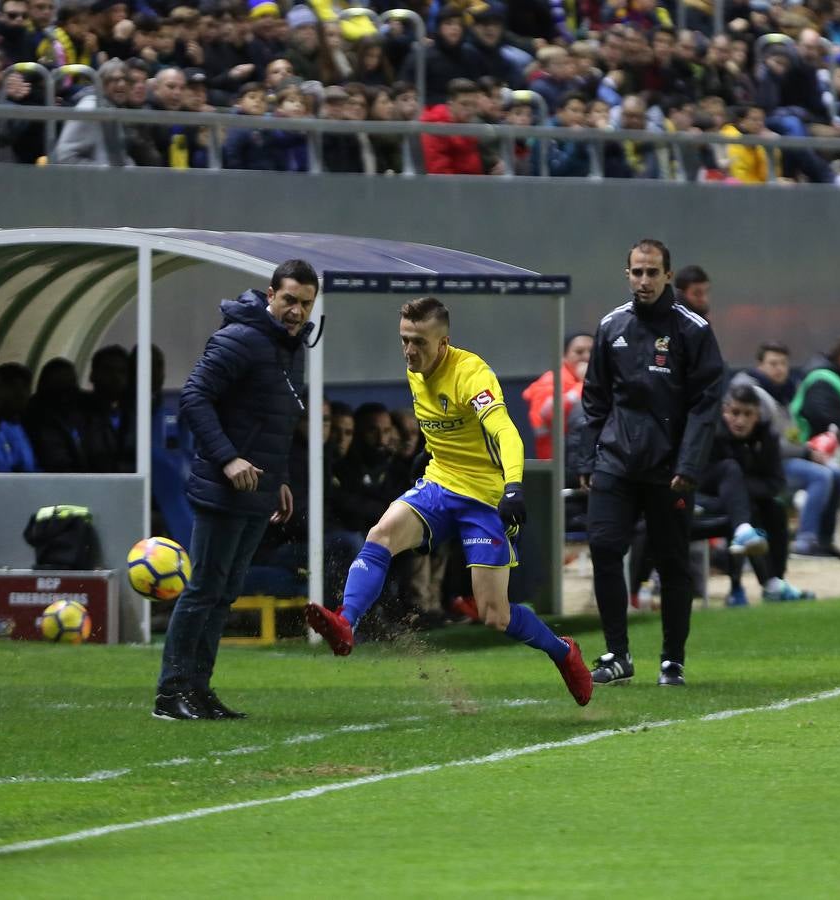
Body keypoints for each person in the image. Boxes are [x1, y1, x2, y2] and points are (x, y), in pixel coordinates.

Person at [304, 297, 593, 707]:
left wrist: (513, 487)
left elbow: (506, 433)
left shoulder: (471, 374)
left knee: (496, 614)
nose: (409, 351)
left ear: (444, 343)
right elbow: (444, 427)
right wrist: (428, 452)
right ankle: (346, 623)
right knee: (381, 533)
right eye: (404, 340)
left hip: (485, 497)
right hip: (440, 483)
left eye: (419, 342)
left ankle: (563, 652)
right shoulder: (415, 369)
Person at [154, 259, 318, 721]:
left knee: (224, 591)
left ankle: (198, 689)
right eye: (289, 300)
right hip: (224, 486)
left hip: (259, 489)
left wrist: (280, 476)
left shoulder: (288, 346)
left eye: (305, 304)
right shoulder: (241, 338)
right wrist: (228, 459)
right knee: (205, 587)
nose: (296, 311)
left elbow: (275, 418)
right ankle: (171, 693)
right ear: (270, 295)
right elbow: (193, 396)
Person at [574, 239, 725, 688]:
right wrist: (586, 456)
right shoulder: (610, 327)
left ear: (667, 276)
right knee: (603, 548)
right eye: (637, 272)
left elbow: (706, 403)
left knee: (672, 562)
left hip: (669, 469)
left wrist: (689, 463)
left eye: (652, 272)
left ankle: (672, 660)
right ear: (627, 275)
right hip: (616, 461)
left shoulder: (693, 330)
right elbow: (595, 398)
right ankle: (617, 653)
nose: (644, 280)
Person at [732, 341, 840, 559]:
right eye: (773, 363)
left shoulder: (785, 392)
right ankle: (806, 541)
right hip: (765, 465)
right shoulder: (753, 394)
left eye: (783, 363)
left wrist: (808, 448)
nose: (779, 368)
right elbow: (768, 444)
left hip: (788, 456)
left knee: (838, 472)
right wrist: (805, 452)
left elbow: (790, 436)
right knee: (821, 476)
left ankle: (824, 540)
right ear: (760, 365)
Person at [701, 384, 814, 606]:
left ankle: (776, 582)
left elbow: (776, 482)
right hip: (709, 499)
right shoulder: (711, 434)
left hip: (750, 500)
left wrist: (742, 489)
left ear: (757, 415)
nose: (740, 421)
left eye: (747, 414)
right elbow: (704, 479)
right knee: (744, 506)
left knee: (776, 511)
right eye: (735, 413)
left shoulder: (767, 437)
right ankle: (738, 587)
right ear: (725, 411)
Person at [521, 331, 593, 462]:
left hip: (586, 459)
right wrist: (584, 384)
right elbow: (550, 415)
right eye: (579, 352)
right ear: (564, 357)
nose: (587, 357)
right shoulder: (551, 381)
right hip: (557, 465)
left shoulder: (600, 380)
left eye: (592, 351)